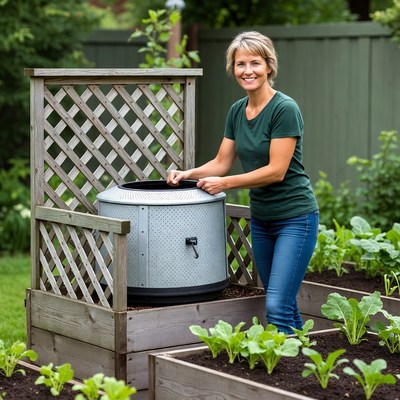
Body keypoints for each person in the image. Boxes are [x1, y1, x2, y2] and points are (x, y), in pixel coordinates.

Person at [167, 31, 319, 334]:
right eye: (240, 64)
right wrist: (188, 173)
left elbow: (276, 170)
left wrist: (225, 183)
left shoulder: (284, 109)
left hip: (295, 218)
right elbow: (221, 162)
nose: (247, 71)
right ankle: (305, 361)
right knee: (283, 304)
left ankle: (283, 373)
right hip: (262, 220)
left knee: (276, 305)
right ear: (233, 69)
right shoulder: (237, 111)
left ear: (269, 66)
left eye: (255, 63)